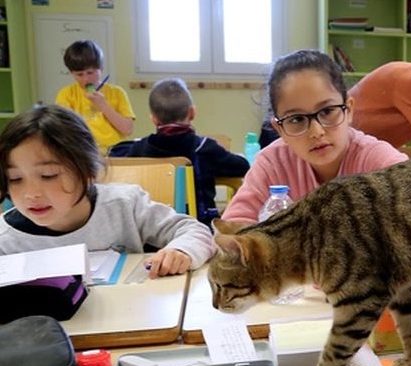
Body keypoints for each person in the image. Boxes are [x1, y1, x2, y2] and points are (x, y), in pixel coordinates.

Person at [0, 105, 214, 279]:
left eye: (48, 175)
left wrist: (181, 252)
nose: (31, 194)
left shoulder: (125, 205)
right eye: (15, 179)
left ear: (88, 170)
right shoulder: (5, 239)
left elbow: (196, 231)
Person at [221, 49, 408, 223]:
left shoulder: (377, 161)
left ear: (349, 110)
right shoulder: (272, 164)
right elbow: (234, 231)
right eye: (296, 119)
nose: (316, 132)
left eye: (327, 111)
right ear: (279, 129)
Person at [108, 77, 250, 227]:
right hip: (198, 230)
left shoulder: (139, 149)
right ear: (192, 113)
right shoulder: (205, 148)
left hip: (151, 230)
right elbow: (242, 166)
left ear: (154, 119)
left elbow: (114, 156)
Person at [55, 39, 135, 154]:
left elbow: (127, 130)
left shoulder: (117, 93)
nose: (86, 79)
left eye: (90, 72)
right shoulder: (66, 94)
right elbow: (63, 131)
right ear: (71, 73)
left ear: (101, 69)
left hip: (114, 151)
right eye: (79, 74)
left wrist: (103, 105)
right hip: (83, 152)